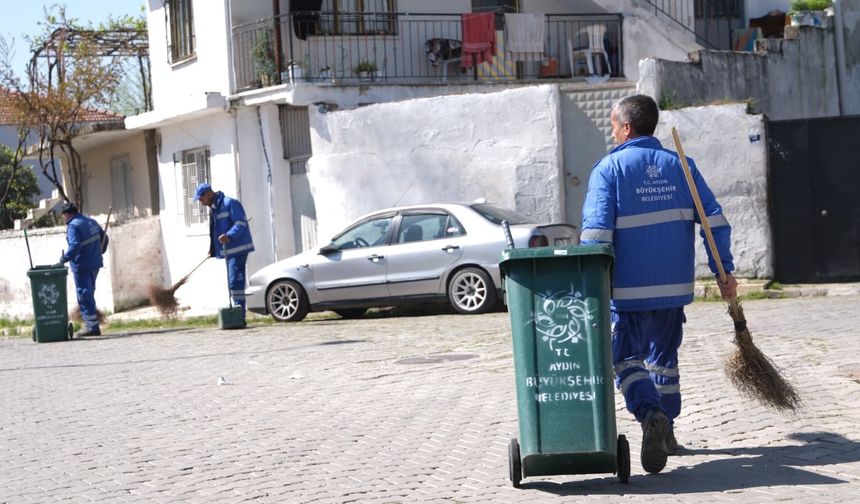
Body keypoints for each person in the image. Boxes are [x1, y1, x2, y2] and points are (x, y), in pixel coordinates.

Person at [581, 95, 737, 474]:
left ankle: (650, 413)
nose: (613, 132)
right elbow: (713, 220)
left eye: (615, 126)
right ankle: (667, 430)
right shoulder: (682, 166)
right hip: (673, 288)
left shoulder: (609, 169)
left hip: (627, 292)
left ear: (627, 128)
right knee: (663, 361)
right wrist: (724, 273)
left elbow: (597, 235)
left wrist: (591, 284)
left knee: (625, 359)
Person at [194, 183, 254, 325]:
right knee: (233, 283)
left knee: (235, 282)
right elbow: (215, 230)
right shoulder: (215, 208)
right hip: (228, 251)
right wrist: (213, 248)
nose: (201, 203)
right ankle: (238, 313)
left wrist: (229, 236)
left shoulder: (230, 203)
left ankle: (240, 316)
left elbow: (240, 224)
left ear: (208, 193)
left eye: (201, 199)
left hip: (238, 249)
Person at [57, 202, 106, 337]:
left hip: (82, 265)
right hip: (95, 264)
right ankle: (92, 324)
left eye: (64, 216)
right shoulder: (91, 221)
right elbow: (105, 238)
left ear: (67, 214)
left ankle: (92, 327)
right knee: (89, 293)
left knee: (84, 295)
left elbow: (74, 245)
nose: (64, 219)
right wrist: (100, 252)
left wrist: (63, 259)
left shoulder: (73, 226)